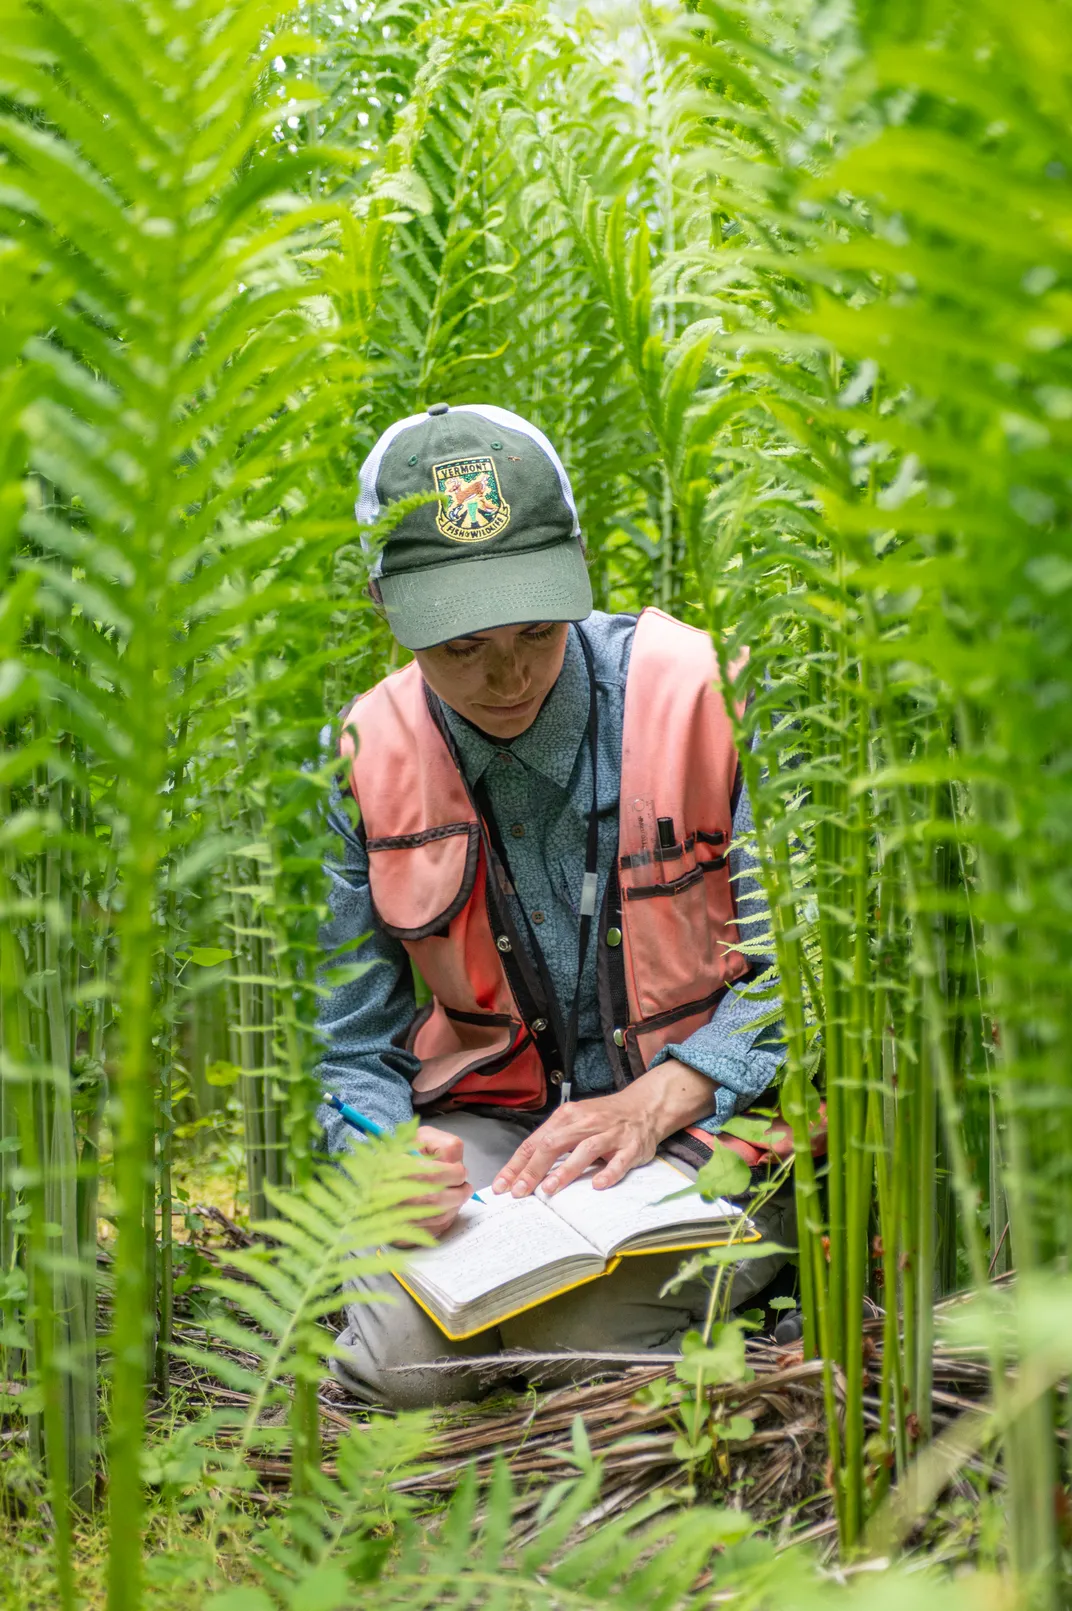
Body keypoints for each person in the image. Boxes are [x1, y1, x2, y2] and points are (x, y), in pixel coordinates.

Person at [318, 402, 792, 1408]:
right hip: (496, 1141)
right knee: (402, 1360)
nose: (507, 674)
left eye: (538, 627)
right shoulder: (364, 757)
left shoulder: (705, 696)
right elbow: (347, 1051)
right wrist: (384, 1153)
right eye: (460, 646)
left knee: (585, 1331)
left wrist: (672, 1090)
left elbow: (811, 971)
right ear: (383, 605)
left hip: (711, 1119)